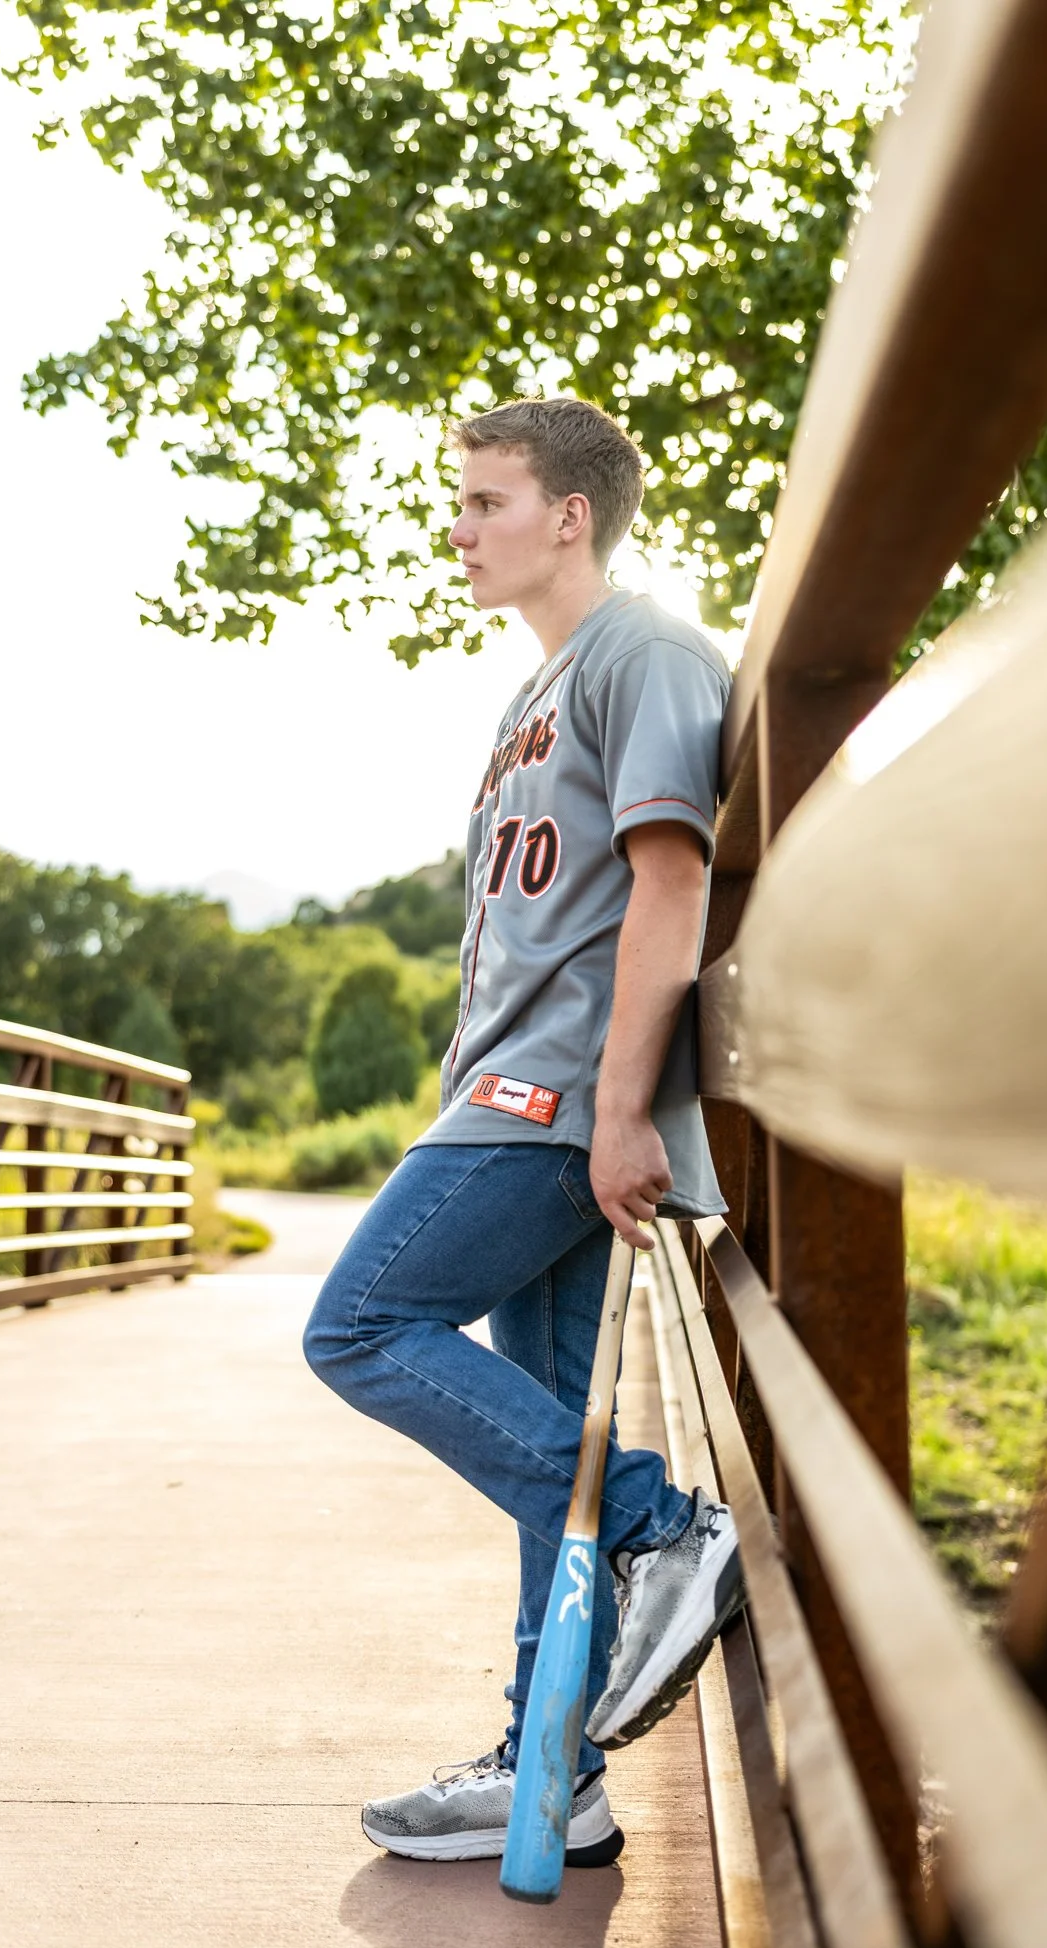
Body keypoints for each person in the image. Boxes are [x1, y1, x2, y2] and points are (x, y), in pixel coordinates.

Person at [304, 396, 744, 1868]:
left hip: (553, 1105)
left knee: (360, 1327)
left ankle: (663, 1528)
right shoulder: (532, 696)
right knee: (532, 1443)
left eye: (486, 501)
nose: (458, 526)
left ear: (571, 516)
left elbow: (668, 888)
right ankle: (549, 1759)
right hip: (508, 1089)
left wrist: (622, 1112)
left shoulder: (650, 654)